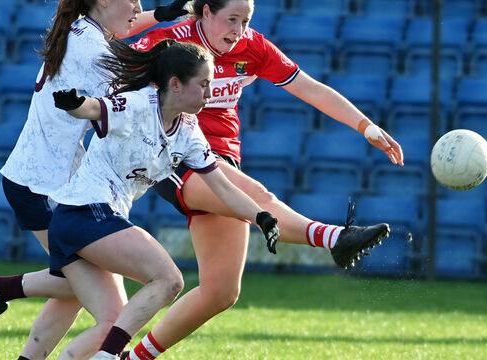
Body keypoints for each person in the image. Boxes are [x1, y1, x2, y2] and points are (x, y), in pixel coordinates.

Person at [122, 0, 403, 359]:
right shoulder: (172, 43)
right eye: (231, 19)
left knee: (221, 292)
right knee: (255, 196)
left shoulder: (252, 47)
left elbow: (311, 89)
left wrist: (367, 126)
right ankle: (335, 237)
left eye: (245, 20)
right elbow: (111, 59)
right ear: (205, 12)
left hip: (222, 157)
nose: (238, 30)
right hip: (172, 153)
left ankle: (133, 358)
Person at [0, 0, 190, 358]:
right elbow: (140, 101)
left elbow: (126, 26)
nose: (138, 6)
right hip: (43, 185)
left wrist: (161, 16)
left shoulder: (82, 29)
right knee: (113, 314)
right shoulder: (93, 50)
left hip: (47, 179)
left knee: (76, 288)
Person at [47, 38, 279, 360]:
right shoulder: (140, 103)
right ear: (176, 84)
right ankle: (108, 356)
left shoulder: (188, 130)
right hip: (86, 212)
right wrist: (75, 104)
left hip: (81, 219)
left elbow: (222, 187)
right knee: (168, 280)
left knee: (113, 315)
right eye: (204, 84)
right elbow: (95, 108)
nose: (210, 94)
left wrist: (261, 217)